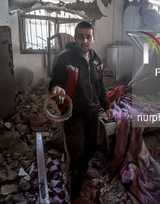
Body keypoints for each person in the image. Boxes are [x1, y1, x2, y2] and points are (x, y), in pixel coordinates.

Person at [48, 21, 113, 203]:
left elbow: (100, 84)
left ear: (93, 38)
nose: (84, 40)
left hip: (92, 110)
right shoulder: (65, 58)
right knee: (75, 153)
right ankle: (75, 194)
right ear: (75, 38)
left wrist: (106, 106)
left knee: (91, 144)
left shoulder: (96, 59)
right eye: (81, 36)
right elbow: (55, 82)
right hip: (73, 113)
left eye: (88, 36)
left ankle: (84, 170)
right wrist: (57, 90)